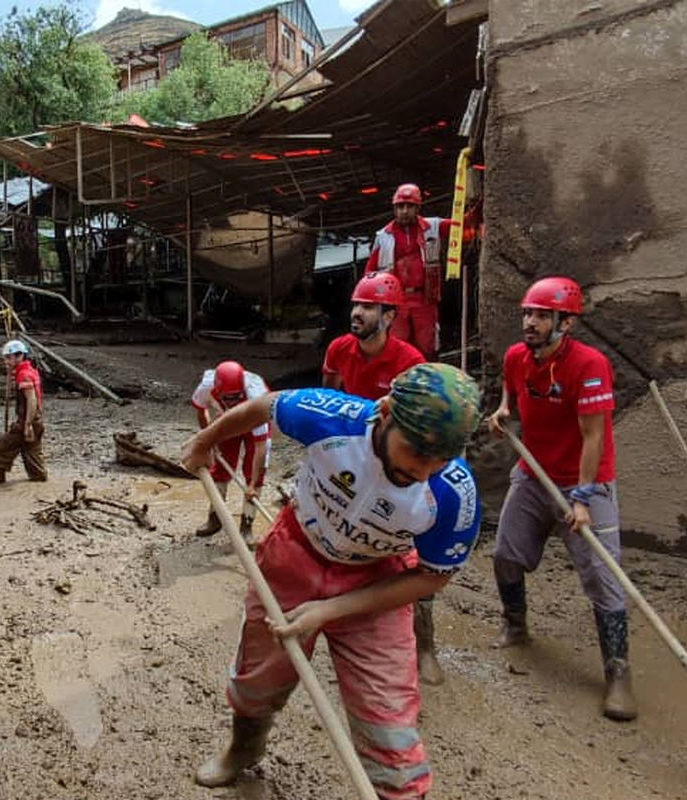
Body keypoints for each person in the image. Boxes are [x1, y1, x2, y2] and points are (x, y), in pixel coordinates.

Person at [182, 363, 482, 799]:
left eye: (439, 458)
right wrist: (205, 441)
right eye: (416, 451)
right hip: (296, 553)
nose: (424, 469)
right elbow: (265, 406)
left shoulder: (453, 494)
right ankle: (242, 749)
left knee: (389, 717)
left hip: (378, 583)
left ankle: (398, 791)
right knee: (258, 675)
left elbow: (433, 577)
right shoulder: (332, 417)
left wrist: (329, 610)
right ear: (384, 413)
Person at [487, 276, 636, 721]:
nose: (530, 323)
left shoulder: (589, 366)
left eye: (541, 316)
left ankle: (618, 673)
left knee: (603, 577)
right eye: (527, 314)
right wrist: (502, 410)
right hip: (534, 472)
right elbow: (511, 392)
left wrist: (585, 498)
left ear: (565, 323)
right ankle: (515, 624)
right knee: (505, 554)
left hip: (586, 482)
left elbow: (594, 437)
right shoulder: (517, 356)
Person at [321, 274, 447, 685]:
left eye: (368, 307)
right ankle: (346, 623)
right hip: (356, 458)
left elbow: (421, 425)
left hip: (398, 462)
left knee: (409, 552)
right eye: (356, 304)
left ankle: (424, 647)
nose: (357, 313)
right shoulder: (339, 349)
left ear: (389, 316)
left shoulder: (410, 362)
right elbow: (329, 400)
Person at [364, 183, 453, 359]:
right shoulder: (383, 236)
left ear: (417, 207)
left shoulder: (432, 226)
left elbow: (461, 226)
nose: (404, 211)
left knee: (427, 347)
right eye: (400, 206)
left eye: (409, 206)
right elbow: (369, 273)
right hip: (395, 302)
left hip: (425, 299)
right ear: (394, 208)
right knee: (396, 348)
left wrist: (477, 208)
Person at [190, 360, 270, 545]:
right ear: (217, 392)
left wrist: (251, 484)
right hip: (227, 420)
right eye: (228, 398)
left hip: (253, 417)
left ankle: (246, 527)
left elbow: (261, 447)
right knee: (220, 470)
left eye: (236, 397)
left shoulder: (257, 396)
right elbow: (201, 411)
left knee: (255, 475)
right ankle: (215, 518)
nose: (233, 402)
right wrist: (209, 441)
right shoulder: (207, 385)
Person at [0, 339, 46, 483]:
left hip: (27, 422)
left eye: (8, 358)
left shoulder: (23, 374)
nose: (6, 362)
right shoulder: (30, 370)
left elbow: (31, 400)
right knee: (32, 456)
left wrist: (27, 425)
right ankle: (39, 482)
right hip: (37, 421)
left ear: (19, 356)